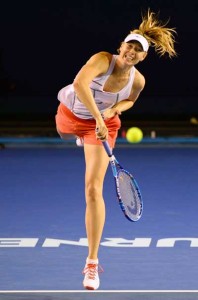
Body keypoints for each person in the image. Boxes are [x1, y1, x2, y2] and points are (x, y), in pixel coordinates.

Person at [55, 9, 177, 290]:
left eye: (138, 50)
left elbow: (130, 101)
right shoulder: (102, 59)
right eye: (129, 45)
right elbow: (79, 84)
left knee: (92, 189)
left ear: (144, 57)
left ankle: (92, 263)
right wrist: (96, 117)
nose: (131, 51)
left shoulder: (138, 81)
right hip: (71, 115)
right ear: (120, 47)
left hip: (102, 127)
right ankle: (80, 139)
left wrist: (112, 110)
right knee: (62, 133)